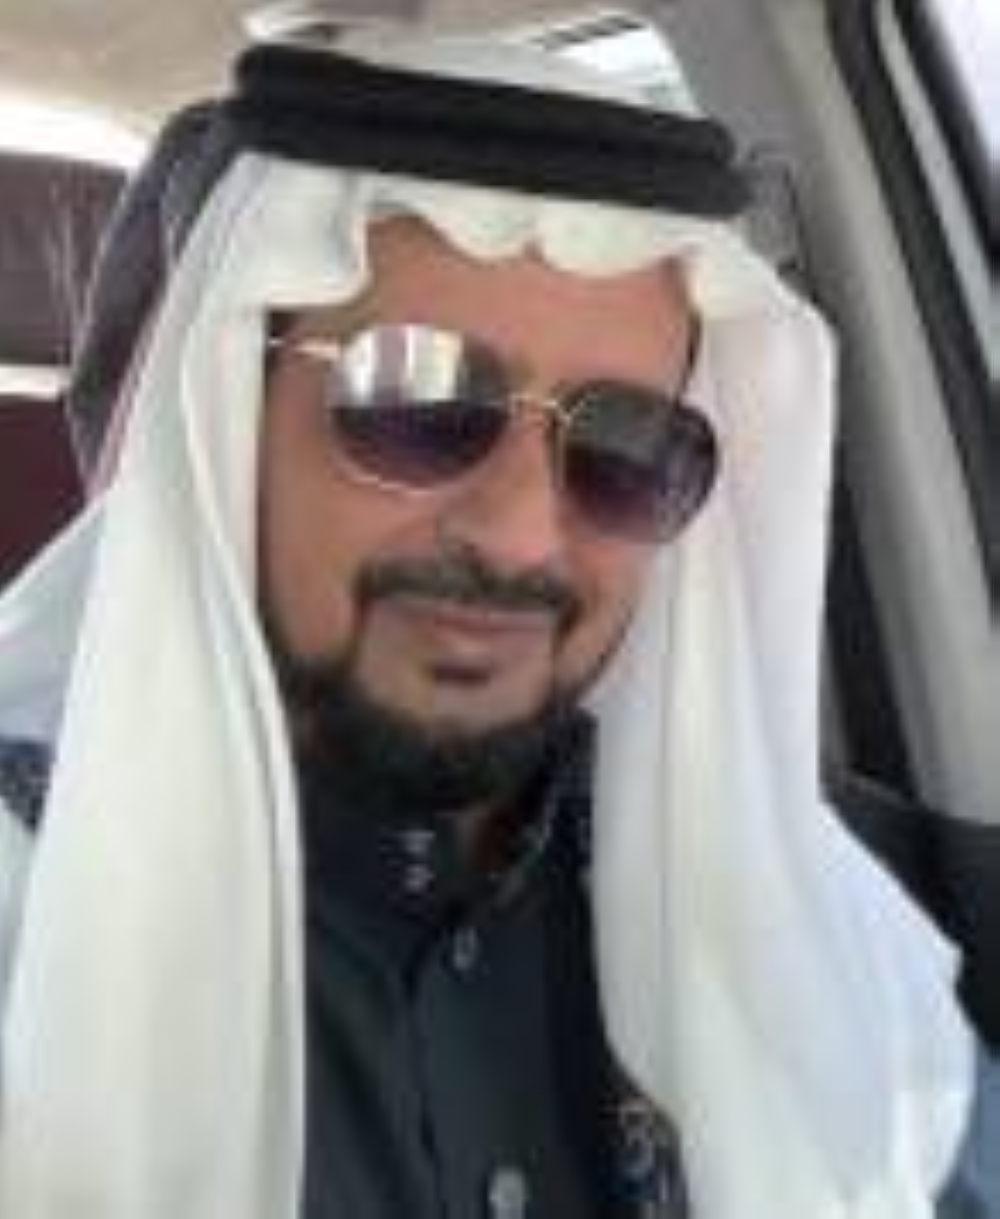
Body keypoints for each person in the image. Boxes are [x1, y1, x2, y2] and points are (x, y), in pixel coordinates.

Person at [0, 27, 994, 1219]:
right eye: (412, 399)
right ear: (228, 418)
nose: (521, 536)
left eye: (626, 443)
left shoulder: (806, 918)